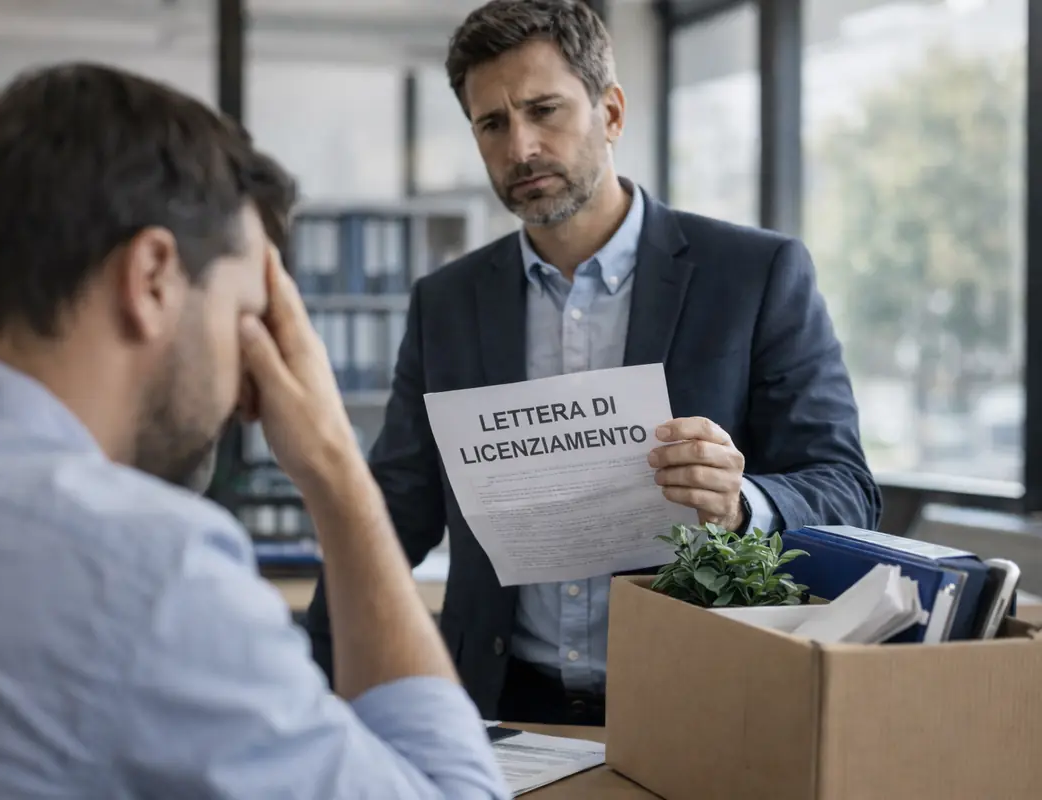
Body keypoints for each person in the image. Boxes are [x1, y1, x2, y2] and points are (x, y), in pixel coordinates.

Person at [0, 63, 507, 799]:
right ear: (153, 277)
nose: (248, 376)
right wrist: (338, 471)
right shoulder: (149, 571)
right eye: (246, 314)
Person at [307, 0, 881, 727]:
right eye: (492, 123)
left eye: (544, 110)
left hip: (699, 699)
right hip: (501, 702)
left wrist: (740, 503)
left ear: (611, 113)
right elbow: (394, 510)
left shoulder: (753, 275)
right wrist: (311, 676)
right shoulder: (445, 303)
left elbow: (845, 490)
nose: (521, 147)